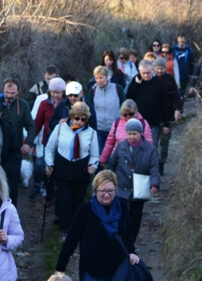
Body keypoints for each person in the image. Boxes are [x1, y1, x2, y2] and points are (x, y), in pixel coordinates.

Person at [55, 170, 137, 281]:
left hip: (116, 276)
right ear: (95, 190)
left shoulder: (123, 208)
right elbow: (71, 240)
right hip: (92, 273)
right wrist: (60, 268)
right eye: (102, 191)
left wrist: (132, 253)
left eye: (111, 191)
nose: (107, 195)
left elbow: (128, 235)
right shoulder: (85, 210)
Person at [45, 102, 100, 233]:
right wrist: (49, 164)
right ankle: (64, 229)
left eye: (83, 119)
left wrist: (93, 165)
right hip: (62, 169)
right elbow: (49, 148)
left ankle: (75, 230)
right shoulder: (60, 128)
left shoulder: (92, 133)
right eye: (77, 118)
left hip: (81, 172)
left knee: (78, 201)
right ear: (71, 116)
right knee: (65, 200)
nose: (79, 121)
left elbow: (95, 155)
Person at [0, 79, 34, 206]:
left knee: (12, 183)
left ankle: (10, 211)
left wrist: (29, 143)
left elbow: (31, 125)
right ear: (3, 90)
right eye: (7, 92)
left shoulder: (23, 105)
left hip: (15, 150)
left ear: (18, 92)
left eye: (12, 93)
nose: (9, 96)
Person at [106, 118, 159, 240]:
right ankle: (120, 240)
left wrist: (154, 184)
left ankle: (131, 240)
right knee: (120, 216)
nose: (131, 137)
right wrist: (109, 181)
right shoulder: (121, 146)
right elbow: (112, 165)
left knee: (135, 217)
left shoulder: (150, 149)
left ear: (141, 133)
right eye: (129, 134)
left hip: (139, 190)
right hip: (121, 187)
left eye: (134, 134)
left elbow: (154, 168)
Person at [125, 59, 171, 145]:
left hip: (153, 123)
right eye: (143, 73)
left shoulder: (159, 84)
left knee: (151, 147)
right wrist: (137, 84)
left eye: (148, 73)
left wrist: (166, 124)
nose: (146, 75)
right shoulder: (136, 81)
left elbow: (165, 104)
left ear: (153, 70)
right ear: (139, 71)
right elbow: (129, 98)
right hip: (136, 122)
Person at [86, 65, 127, 152]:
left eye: (101, 78)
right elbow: (89, 110)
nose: (99, 81)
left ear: (107, 76)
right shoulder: (93, 91)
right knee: (100, 154)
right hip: (99, 129)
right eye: (96, 78)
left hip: (115, 129)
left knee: (114, 155)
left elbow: (124, 107)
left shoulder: (117, 88)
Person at [100, 100, 153, 165]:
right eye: (125, 114)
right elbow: (109, 143)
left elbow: (148, 144)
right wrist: (103, 159)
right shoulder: (117, 123)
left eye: (131, 114)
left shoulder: (143, 123)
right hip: (118, 159)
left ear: (136, 111)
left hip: (137, 160)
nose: (128, 116)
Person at [153, 57, 182, 174]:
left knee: (164, 143)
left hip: (167, 116)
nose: (159, 71)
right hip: (154, 116)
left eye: (161, 68)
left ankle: (161, 163)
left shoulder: (169, 79)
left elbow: (175, 96)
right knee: (152, 143)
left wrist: (177, 110)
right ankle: (153, 164)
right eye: (157, 68)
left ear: (165, 69)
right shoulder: (151, 79)